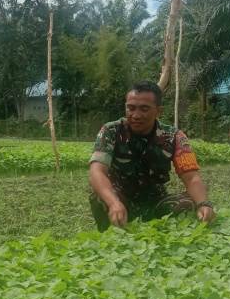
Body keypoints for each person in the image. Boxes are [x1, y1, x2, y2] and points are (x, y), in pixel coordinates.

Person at [88, 80, 215, 231]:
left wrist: (203, 204)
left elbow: (191, 177)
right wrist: (114, 202)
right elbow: (97, 171)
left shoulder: (174, 136)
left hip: (157, 202)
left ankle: (164, 236)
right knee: (100, 198)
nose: (136, 115)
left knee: (189, 201)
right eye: (131, 108)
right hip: (121, 199)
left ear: (158, 111)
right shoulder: (111, 131)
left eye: (144, 109)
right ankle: (109, 238)